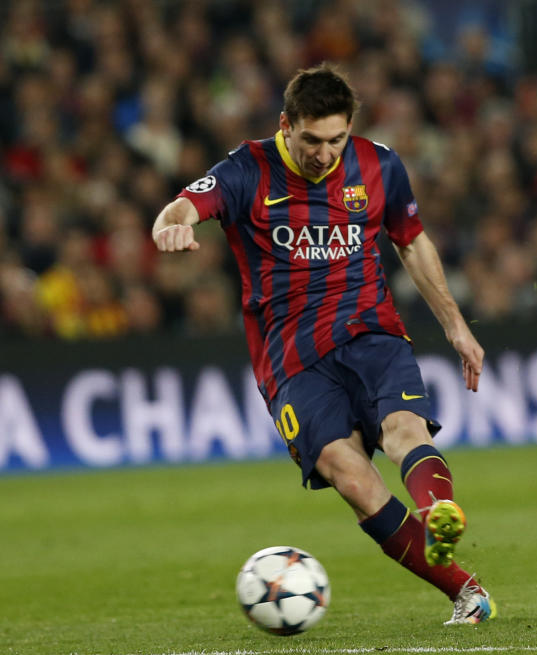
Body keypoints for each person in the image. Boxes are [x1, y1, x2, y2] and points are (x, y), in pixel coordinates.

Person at [152, 64, 496, 626]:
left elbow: (411, 243)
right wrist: (172, 225)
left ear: (350, 128)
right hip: (291, 357)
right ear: (286, 125)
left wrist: (457, 327)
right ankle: (466, 589)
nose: (324, 153)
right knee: (350, 475)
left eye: (336, 139)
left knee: (403, 431)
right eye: (311, 140)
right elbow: (183, 206)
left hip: (370, 330)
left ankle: (438, 512)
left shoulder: (378, 164)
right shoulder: (248, 169)